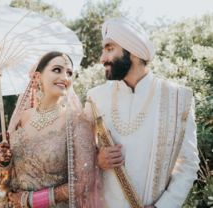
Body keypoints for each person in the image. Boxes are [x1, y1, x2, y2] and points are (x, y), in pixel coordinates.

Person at [84, 17, 200, 208]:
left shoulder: (179, 98)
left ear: (134, 52)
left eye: (110, 49)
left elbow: (187, 163)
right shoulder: (95, 97)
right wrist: (97, 159)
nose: (102, 58)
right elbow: (80, 156)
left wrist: (163, 206)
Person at [0, 51, 104, 208]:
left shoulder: (77, 121)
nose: (65, 77)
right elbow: (8, 178)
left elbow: (83, 184)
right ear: (38, 77)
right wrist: (5, 163)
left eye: (69, 73)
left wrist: (29, 200)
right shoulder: (21, 118)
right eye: (57, 70)